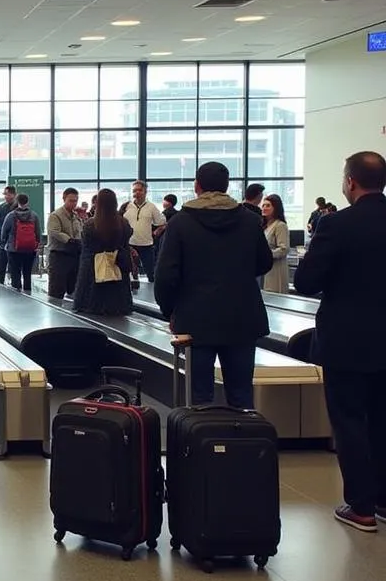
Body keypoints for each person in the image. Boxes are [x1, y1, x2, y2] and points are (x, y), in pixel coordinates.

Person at [293, 151, 386, 532]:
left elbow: (307, 281)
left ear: (350, 182)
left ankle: (361, 506)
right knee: (382, 419)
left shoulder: (337, 225)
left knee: (349, 421)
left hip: (346, 340)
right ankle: (383, 499)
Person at [154, 161, 273, 409]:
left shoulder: (181, 223)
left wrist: (170, 310)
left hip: (196, 319)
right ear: (227, 186)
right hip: (242, 317)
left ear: (197, 186)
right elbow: (264, 263)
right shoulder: (250, 221)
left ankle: (203, 446)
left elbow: (166, 274)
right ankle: (243, 444)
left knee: (199, 397)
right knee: (241, 394)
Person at [72, 188, 133, 316]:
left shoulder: (90, 225)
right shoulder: (123, 223)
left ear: (98, 203)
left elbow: (86, 247)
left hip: (94, 273)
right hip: (118, 269)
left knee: (92, 310)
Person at [0, 193, 42, 292]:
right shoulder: (34, 215)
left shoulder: (11, 215)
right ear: (27, 202)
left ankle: (17, 294)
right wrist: (36, 244)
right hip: (30, 249)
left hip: (14, 249)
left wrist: (4, 243)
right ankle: (28, 293)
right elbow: (38, 233)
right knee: (27, 274)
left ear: (17, 202)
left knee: (15, 273)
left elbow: (4, 232)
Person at [122, 180, 164, 282]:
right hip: (129, 244)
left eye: (140, 190)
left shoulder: (152, 207)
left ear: (145, 191)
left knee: (151, 275)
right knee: (129, 274)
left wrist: (157, 231)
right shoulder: (126, 206)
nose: (137, 193)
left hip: (146, 245)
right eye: (134, 190)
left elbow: (161, 222)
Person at [46, 187, 83, 298]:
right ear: (64, 199)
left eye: (75, 201)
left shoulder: (76, 216)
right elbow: (54, 231)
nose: (74, 203)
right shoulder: (55, 215)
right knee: (56, 290)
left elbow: (80, 231)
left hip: (74, 256)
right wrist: (69, 240)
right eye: (71, 200)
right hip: (59, 256)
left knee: (74, 288)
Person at [260, 194, 290, 294]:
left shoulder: (280, 225)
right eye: (263, 205)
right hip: (264, 269)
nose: (264, 208)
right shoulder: (264, 226)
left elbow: (284, 249)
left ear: (276, 208)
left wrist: (267, 254)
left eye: (268, 205)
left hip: (276, 269)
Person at [0, 185, 17, 284]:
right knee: (3, 267)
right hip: (7, 242)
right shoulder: (1, 207)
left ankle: (11, 285)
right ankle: (6, 285)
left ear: (14, 195)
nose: (6, 196)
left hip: (12, 243)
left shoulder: (2, 208)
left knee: (6, 266)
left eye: (8, 194)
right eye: (5, 194)